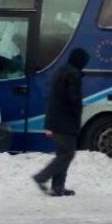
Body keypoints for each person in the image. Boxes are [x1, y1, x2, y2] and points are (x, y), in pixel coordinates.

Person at [32, 48, 89, 196]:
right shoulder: (72, 74)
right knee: (67, 154)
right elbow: (73, 99)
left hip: (56, 119)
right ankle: (41, 177)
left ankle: (58, 187)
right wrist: (77, 111)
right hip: (65, 121)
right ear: (80, 61)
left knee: (63, 154)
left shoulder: (62, 71)